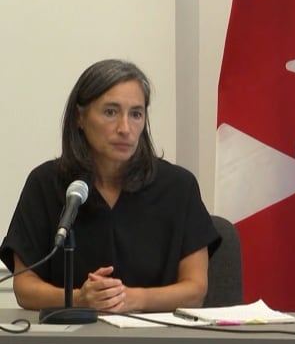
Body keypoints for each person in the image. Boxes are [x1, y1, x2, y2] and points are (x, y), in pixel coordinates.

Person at [0, 59, 221, 313]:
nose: (125, 128)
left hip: (159, 343)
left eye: (136, 114)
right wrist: (79, 298)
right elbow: (25, 288)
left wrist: (131, 299)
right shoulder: (46, 183)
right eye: (110, 112)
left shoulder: (178, 187)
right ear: (79, 118)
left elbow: (195, 289)